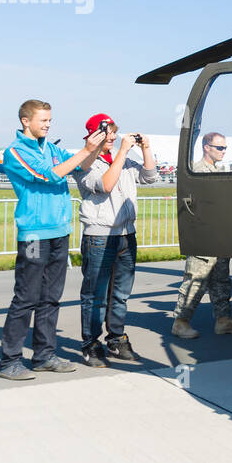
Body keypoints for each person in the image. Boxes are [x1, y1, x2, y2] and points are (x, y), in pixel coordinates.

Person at [0, 99, 108, 379]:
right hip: (34, 234)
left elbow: (81, 168)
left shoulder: (53, 148)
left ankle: (44, 355)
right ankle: (9, 360)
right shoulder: (15, 151)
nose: (48, 124)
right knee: (26, 297)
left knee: (51, 297)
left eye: (49, 120)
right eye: (43, 120)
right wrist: (85, 150)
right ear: (26, 121)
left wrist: (92, 150)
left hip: (59, 230)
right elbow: (47, 176)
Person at [74, 114, 160, 367]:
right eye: (106, 132)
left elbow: (150, 177)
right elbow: (106, 184)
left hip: (126, 235)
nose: (111, 137)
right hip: (99, 236)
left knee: (120, 294)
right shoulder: (85, 163)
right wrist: (122, 151)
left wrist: (145, 149)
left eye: (113, 132)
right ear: (93, 135)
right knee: (95, 295)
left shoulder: (123, 158)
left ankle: (116, 338)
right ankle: (91, 343)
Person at [171, 132, 232, 338]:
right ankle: (180, 322)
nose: (223, 152)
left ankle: (224, 320)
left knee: (221, 279)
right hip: (203, 235)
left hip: (218, 234)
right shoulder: (196, 171)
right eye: (219, 148)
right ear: (206, 147)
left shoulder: (216, 170)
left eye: (224, 148)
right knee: (195, 278)